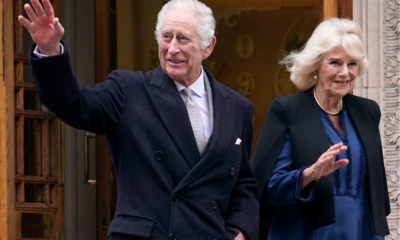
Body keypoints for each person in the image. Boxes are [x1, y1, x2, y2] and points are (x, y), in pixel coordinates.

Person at [18, 0, 259, 239]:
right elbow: (73, 104)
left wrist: (240, 232)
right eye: (166, 36)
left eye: (183, 38)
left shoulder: (238, 107)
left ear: (208, 46)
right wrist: (50, 51)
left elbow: (243, 184)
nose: (172, 48)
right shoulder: (129, 90)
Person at [251, 18, 390, 239]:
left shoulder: (368, 112)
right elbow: (269, 190)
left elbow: (375, 191)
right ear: (316, 64)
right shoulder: (288, 111)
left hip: (361, 232)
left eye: (351, 63)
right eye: (335, 62)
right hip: (306, 233)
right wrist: (311, 173)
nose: (344, 72)